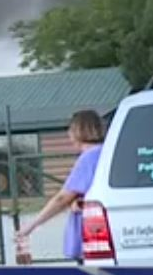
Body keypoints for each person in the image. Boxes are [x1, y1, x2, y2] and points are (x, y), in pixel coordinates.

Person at [15, 109, 106, 264]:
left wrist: (31, 225)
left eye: (71, 130)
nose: (69, 135)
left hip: (92, 235)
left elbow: (62, 198)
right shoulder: (106, 152)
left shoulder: (88, 158)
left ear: (79, 131)